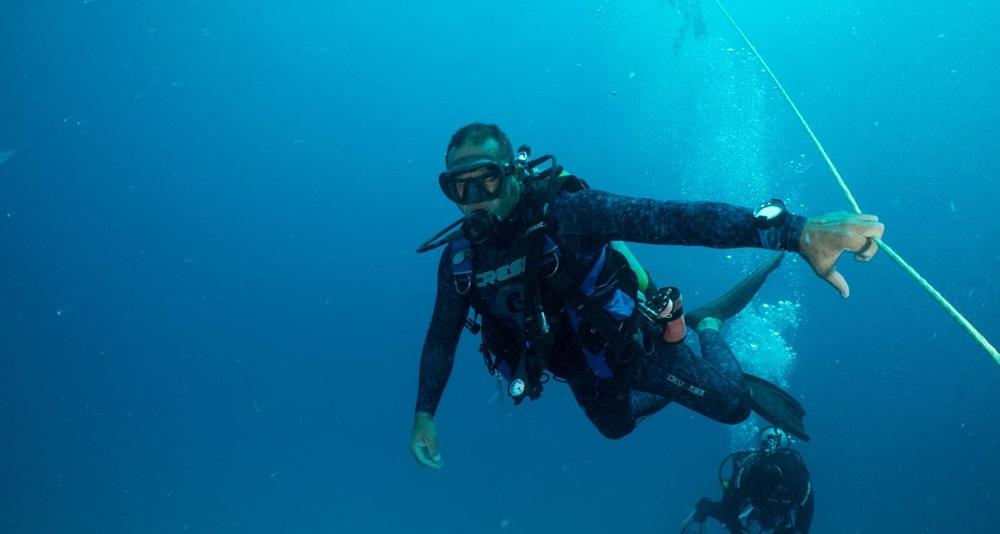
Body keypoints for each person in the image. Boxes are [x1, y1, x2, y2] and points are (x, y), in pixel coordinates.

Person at [410, 123, 884, 469]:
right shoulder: (460, 260)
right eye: (459, 185)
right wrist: (424, 414)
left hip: (636, 348)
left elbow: (676, 220)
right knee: (616, 429)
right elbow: (440, 338)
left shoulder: (571, 213)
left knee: (735, 408)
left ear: (512, 173)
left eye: (486, 178)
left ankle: (706, 325)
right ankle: (680, 362)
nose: (474, 195)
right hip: (577, 372)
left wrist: (796, 233)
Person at [679, 427, 814, 533]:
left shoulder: (749, 469)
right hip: (759, 501)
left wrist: (732, 523)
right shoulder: (796, 473)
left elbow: (729, 509)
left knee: (731, 511)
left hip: (756, 499)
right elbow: (804, 519)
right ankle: (704, 508)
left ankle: (704, 507)